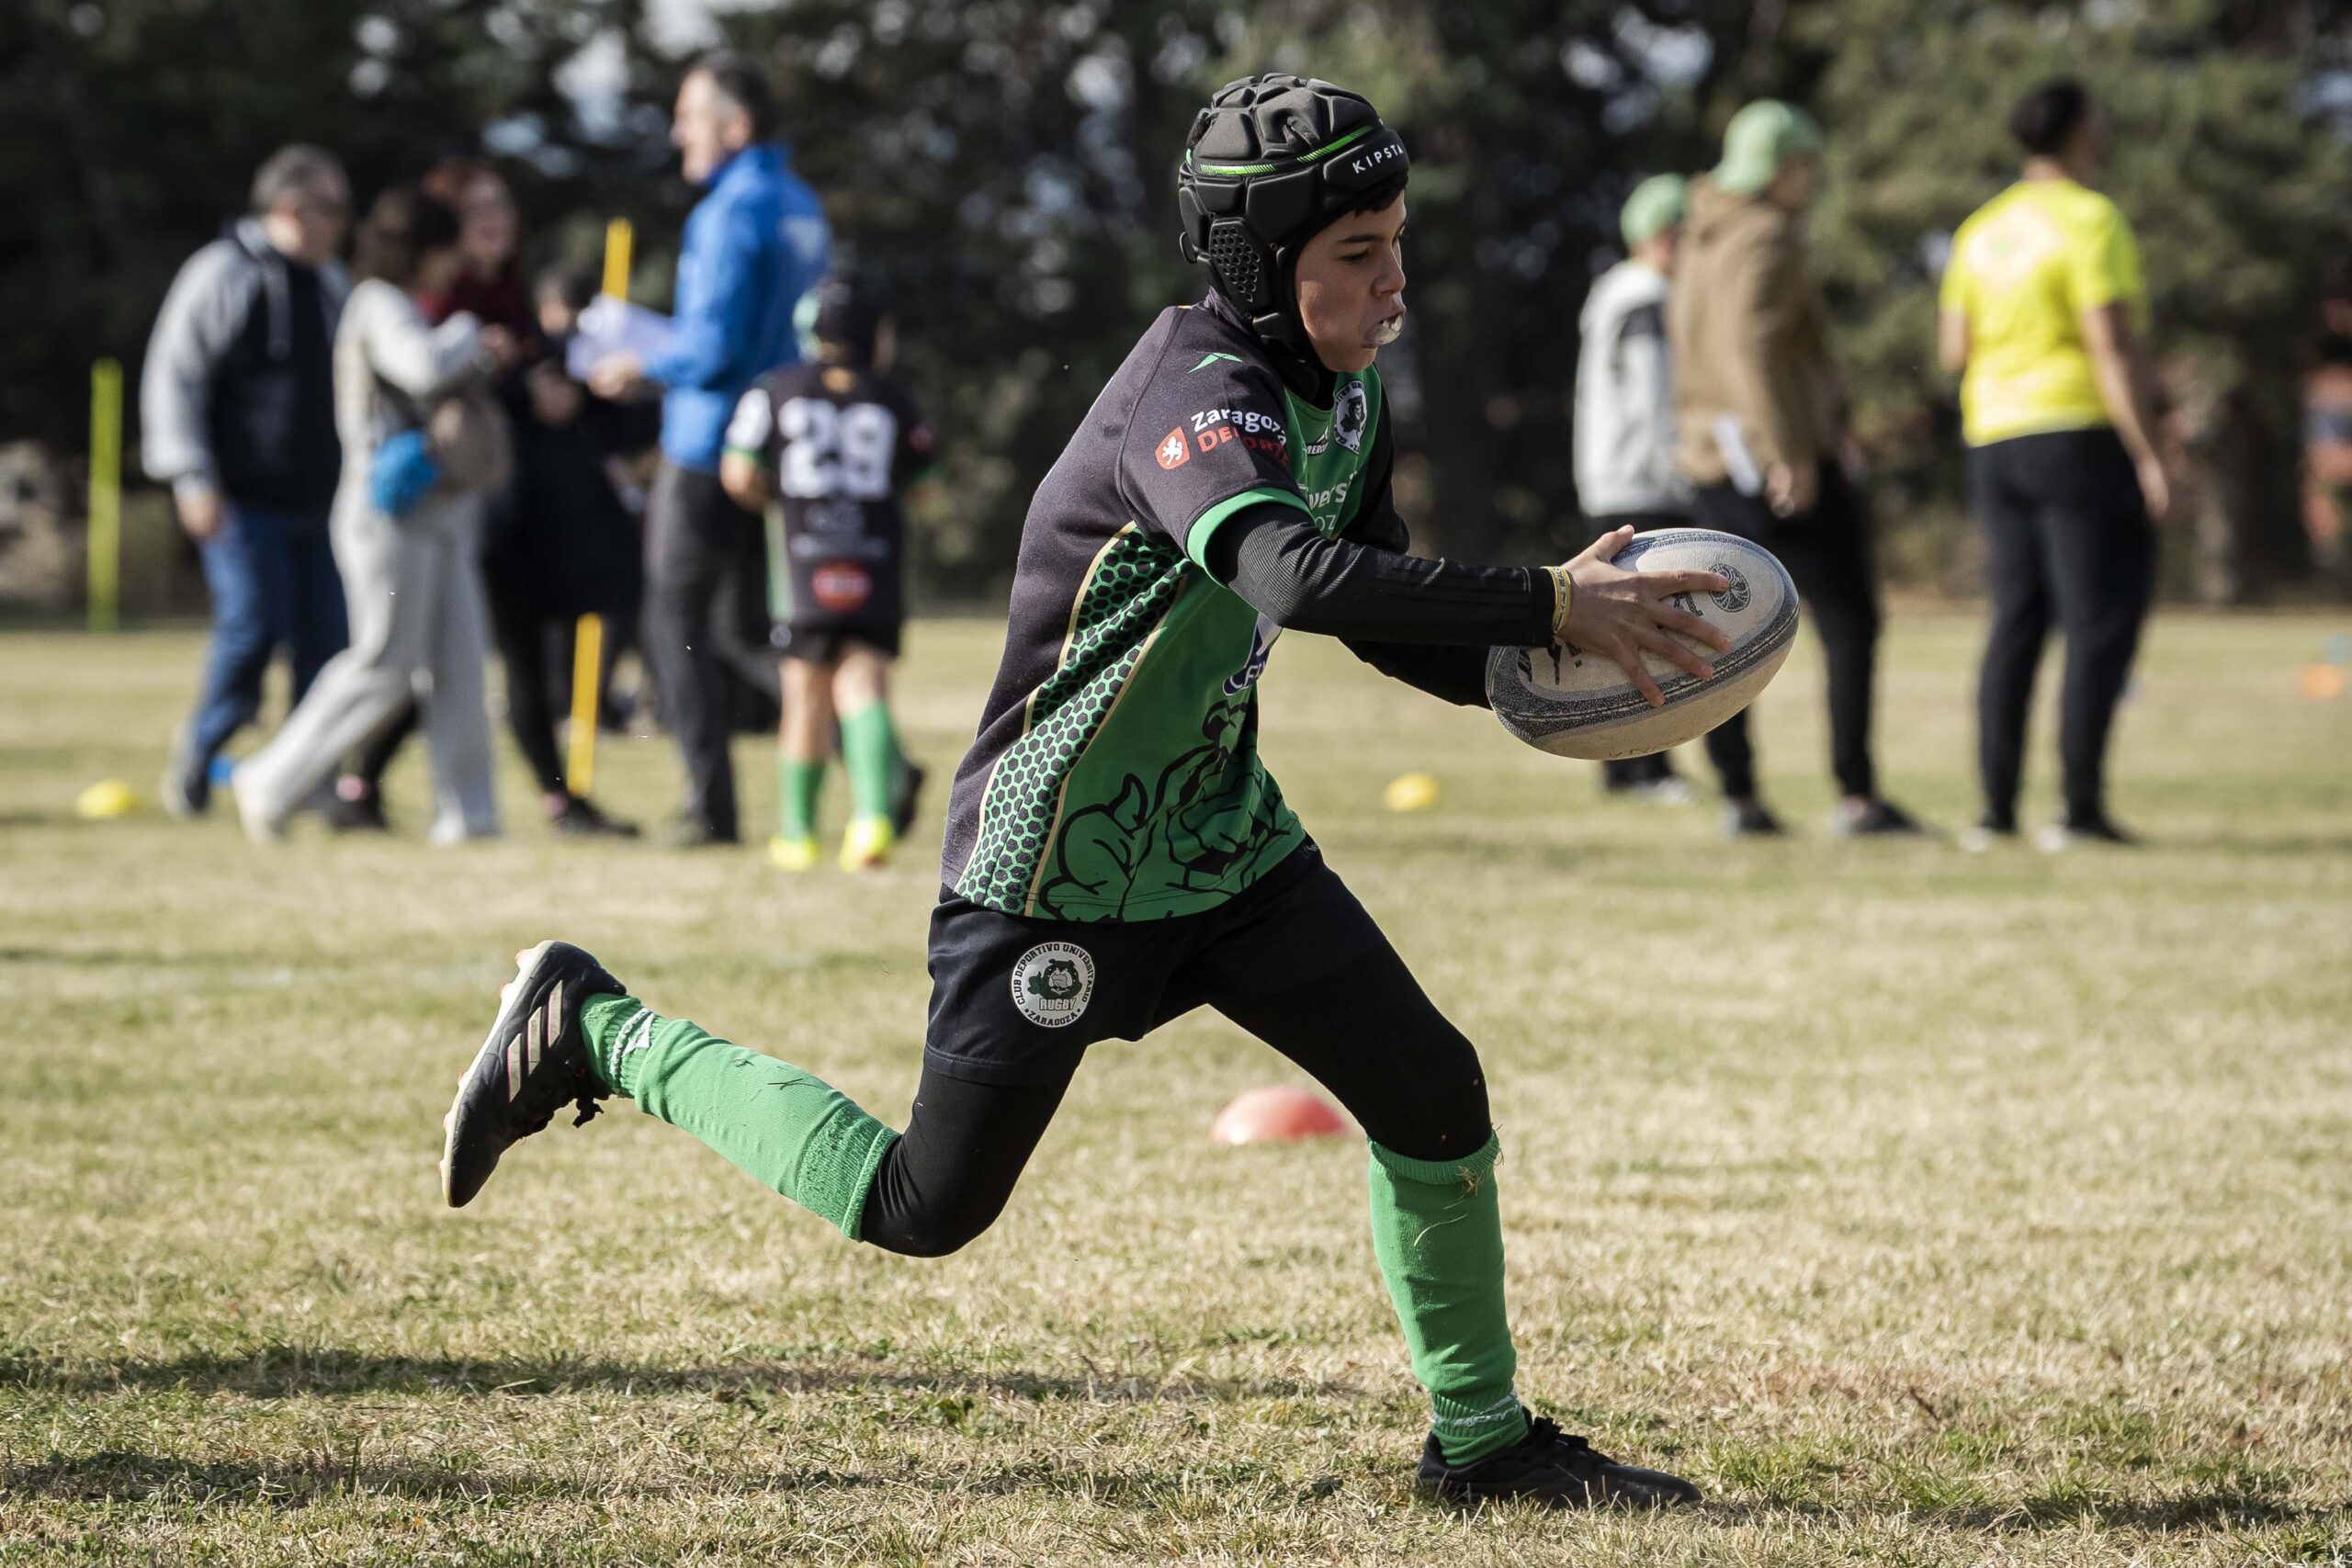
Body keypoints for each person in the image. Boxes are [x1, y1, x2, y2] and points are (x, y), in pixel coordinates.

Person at [444, 74, 1730, 1511]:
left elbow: (1378, 606)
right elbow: (1294, 576)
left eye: (1399, 243)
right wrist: (1547, 601)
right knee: (923, 1203)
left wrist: (1546, 676)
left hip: (1223, 838)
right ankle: (597, 1026)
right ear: (1263, 267)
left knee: (1432, 1091)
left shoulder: (1349, 395)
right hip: (1055, 856)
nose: (1396, 284)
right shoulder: (1198, 392)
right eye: (1359, 254)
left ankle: (1483, 1443)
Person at [335, 161, 643, 838]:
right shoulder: (430, 301)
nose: (494, 221)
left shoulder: (509, 293)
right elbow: (437, 385)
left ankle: (405, 791)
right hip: (459, 501)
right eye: (476, 210)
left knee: (482, 657)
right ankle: (356, 781)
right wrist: (517, 386)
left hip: (521, 495)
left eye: (502, 206)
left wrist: (571, 389)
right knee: (434, 659)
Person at [589, 51, 833, 847]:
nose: (676, 133)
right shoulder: (801, 204)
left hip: (706, 443)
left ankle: (710, 808)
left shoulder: (728, 212)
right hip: (780, 440)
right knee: (744, 630)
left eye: (689, 117)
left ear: (737, 126)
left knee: (673, 623)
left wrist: (637, 364)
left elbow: (715, 349)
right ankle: (881, 761)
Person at [1671, 102, 1923, 840]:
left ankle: (1741, 797)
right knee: (1849, 620)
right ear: (1783, 167)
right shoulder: (1768, 234)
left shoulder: (1697, 235)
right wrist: (1790, 451)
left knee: (1720, 632)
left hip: (1709, 456)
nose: (1812, 182)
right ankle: (1857, 796)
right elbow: (1754, 346)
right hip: (1776, 459)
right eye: (1807, 166)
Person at [232, 187, 510, 844]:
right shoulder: (378, 302)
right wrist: (472, 334)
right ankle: (269, 780)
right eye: (445, 251)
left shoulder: (407, 305)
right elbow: (420, 367)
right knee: (385, 661)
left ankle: (471, 818)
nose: (453, 265)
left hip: (443, 508)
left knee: (462, 664)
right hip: (387, 513)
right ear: (420, 250)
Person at [1939, 80, 2165, 851]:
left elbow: (1953, 349)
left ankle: (1995, 810)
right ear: (2079, 131)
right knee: (2096, 622)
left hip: (1993, 437)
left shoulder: (1979, 229)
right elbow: (2111, 345)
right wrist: (2150, 453)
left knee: (2016, 620)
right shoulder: (2092, 219)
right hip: (2074, 432)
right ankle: (2078, 808)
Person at [143, 145, 352, 818]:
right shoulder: (220, 272)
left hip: (323, 504)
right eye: (332, 207)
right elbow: (175, 376)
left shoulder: (332, 282)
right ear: (290, 207)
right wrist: (190, 476)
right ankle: (200, 751)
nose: (342, 222)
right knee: (253, 629)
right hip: (240, 501)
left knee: (328, 644)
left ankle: (304, 779)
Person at [719, 274, 935, 873]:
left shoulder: (776, 389)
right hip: (873, 558)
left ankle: (798, 834)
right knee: (865, 682)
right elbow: (926, 485)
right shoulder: (893, 396)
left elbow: (738, 472)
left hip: (803, 560)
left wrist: (773, 499)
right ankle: (871, 820)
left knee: (804, 691)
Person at [1574, 174, 1696, 803]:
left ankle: (1620, 766)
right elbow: (1655, 397)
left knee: (1613, 630)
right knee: (1653, 629)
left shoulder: (1609, 290)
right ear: (1667, 235)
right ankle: (1649, 769)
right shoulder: (1650, 294)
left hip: (1606, 476)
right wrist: (1686, 473)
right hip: (1644, 479)